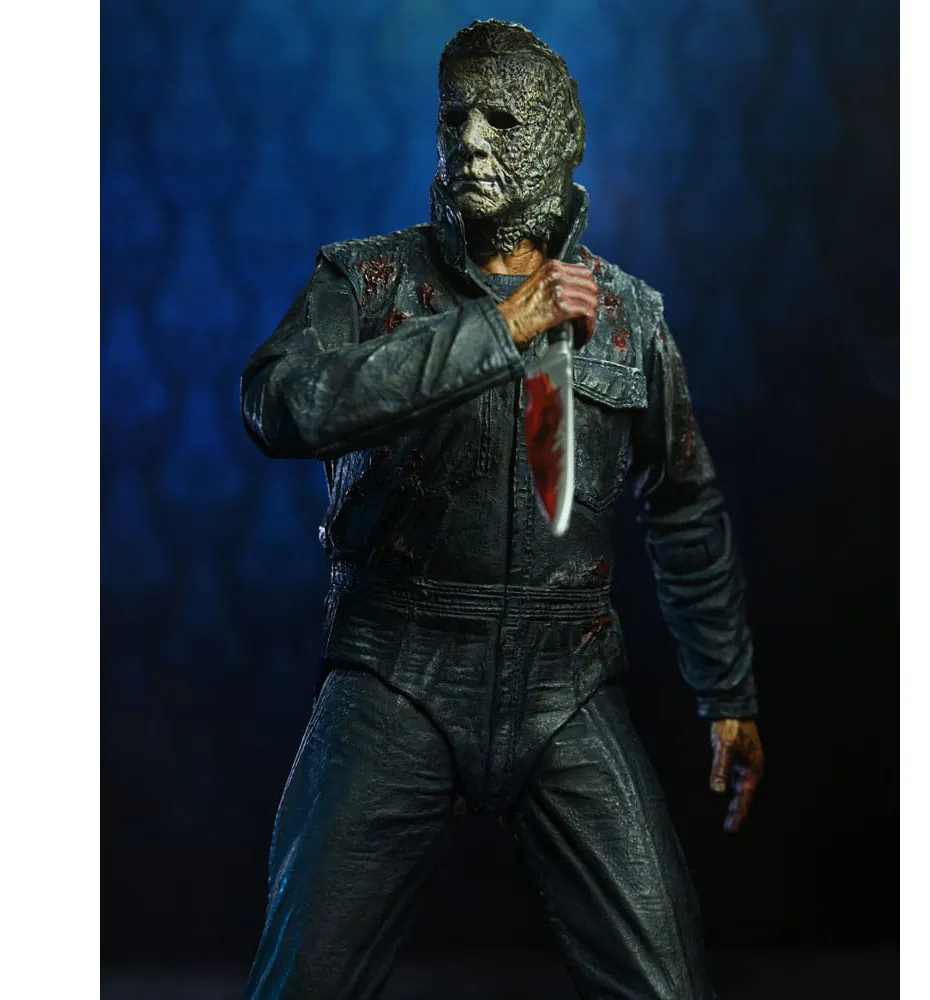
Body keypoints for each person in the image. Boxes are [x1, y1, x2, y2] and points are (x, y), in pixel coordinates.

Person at [240, 19, 764, 1000]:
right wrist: (497, 329)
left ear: (563, 139)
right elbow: (280, 405)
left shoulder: (629, 317)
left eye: (502, 120)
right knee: (303, 979)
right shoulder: (366, 281)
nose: (471, 140)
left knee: (665, 984)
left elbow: (684, 505)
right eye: (455, 118)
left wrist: (726, 693)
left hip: (565, 681)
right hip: (396, 670)